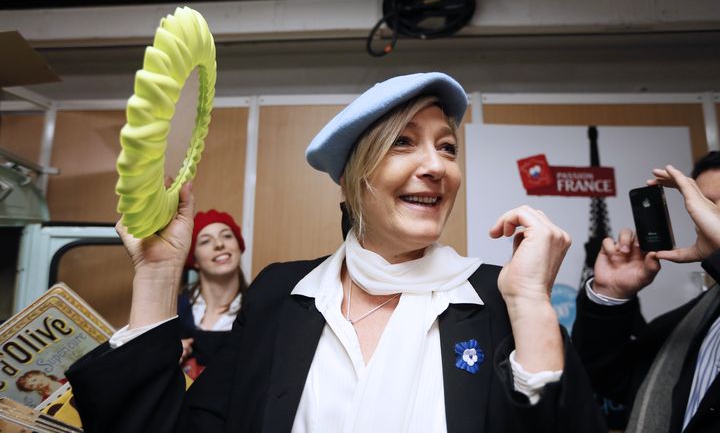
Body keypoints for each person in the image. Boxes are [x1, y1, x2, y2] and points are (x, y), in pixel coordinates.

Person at [66, 72, 605, 433]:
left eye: (446, 146)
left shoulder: (500, 294)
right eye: (403, 142)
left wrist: (533, 301)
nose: (437, 165)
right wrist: (158, 275)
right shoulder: (282, 295)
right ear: (351, 179)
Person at [572, 153, 720, 433]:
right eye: (705, 203)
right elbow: (607, 378)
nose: (712, 216)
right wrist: (611, 294)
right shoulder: (686, 324)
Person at [178, 209, 247, 379]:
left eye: (227, 236)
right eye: (205, 241)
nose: (219, 244)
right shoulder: (174, 311)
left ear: (239, 247)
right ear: (194, 260)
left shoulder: (258, 310)